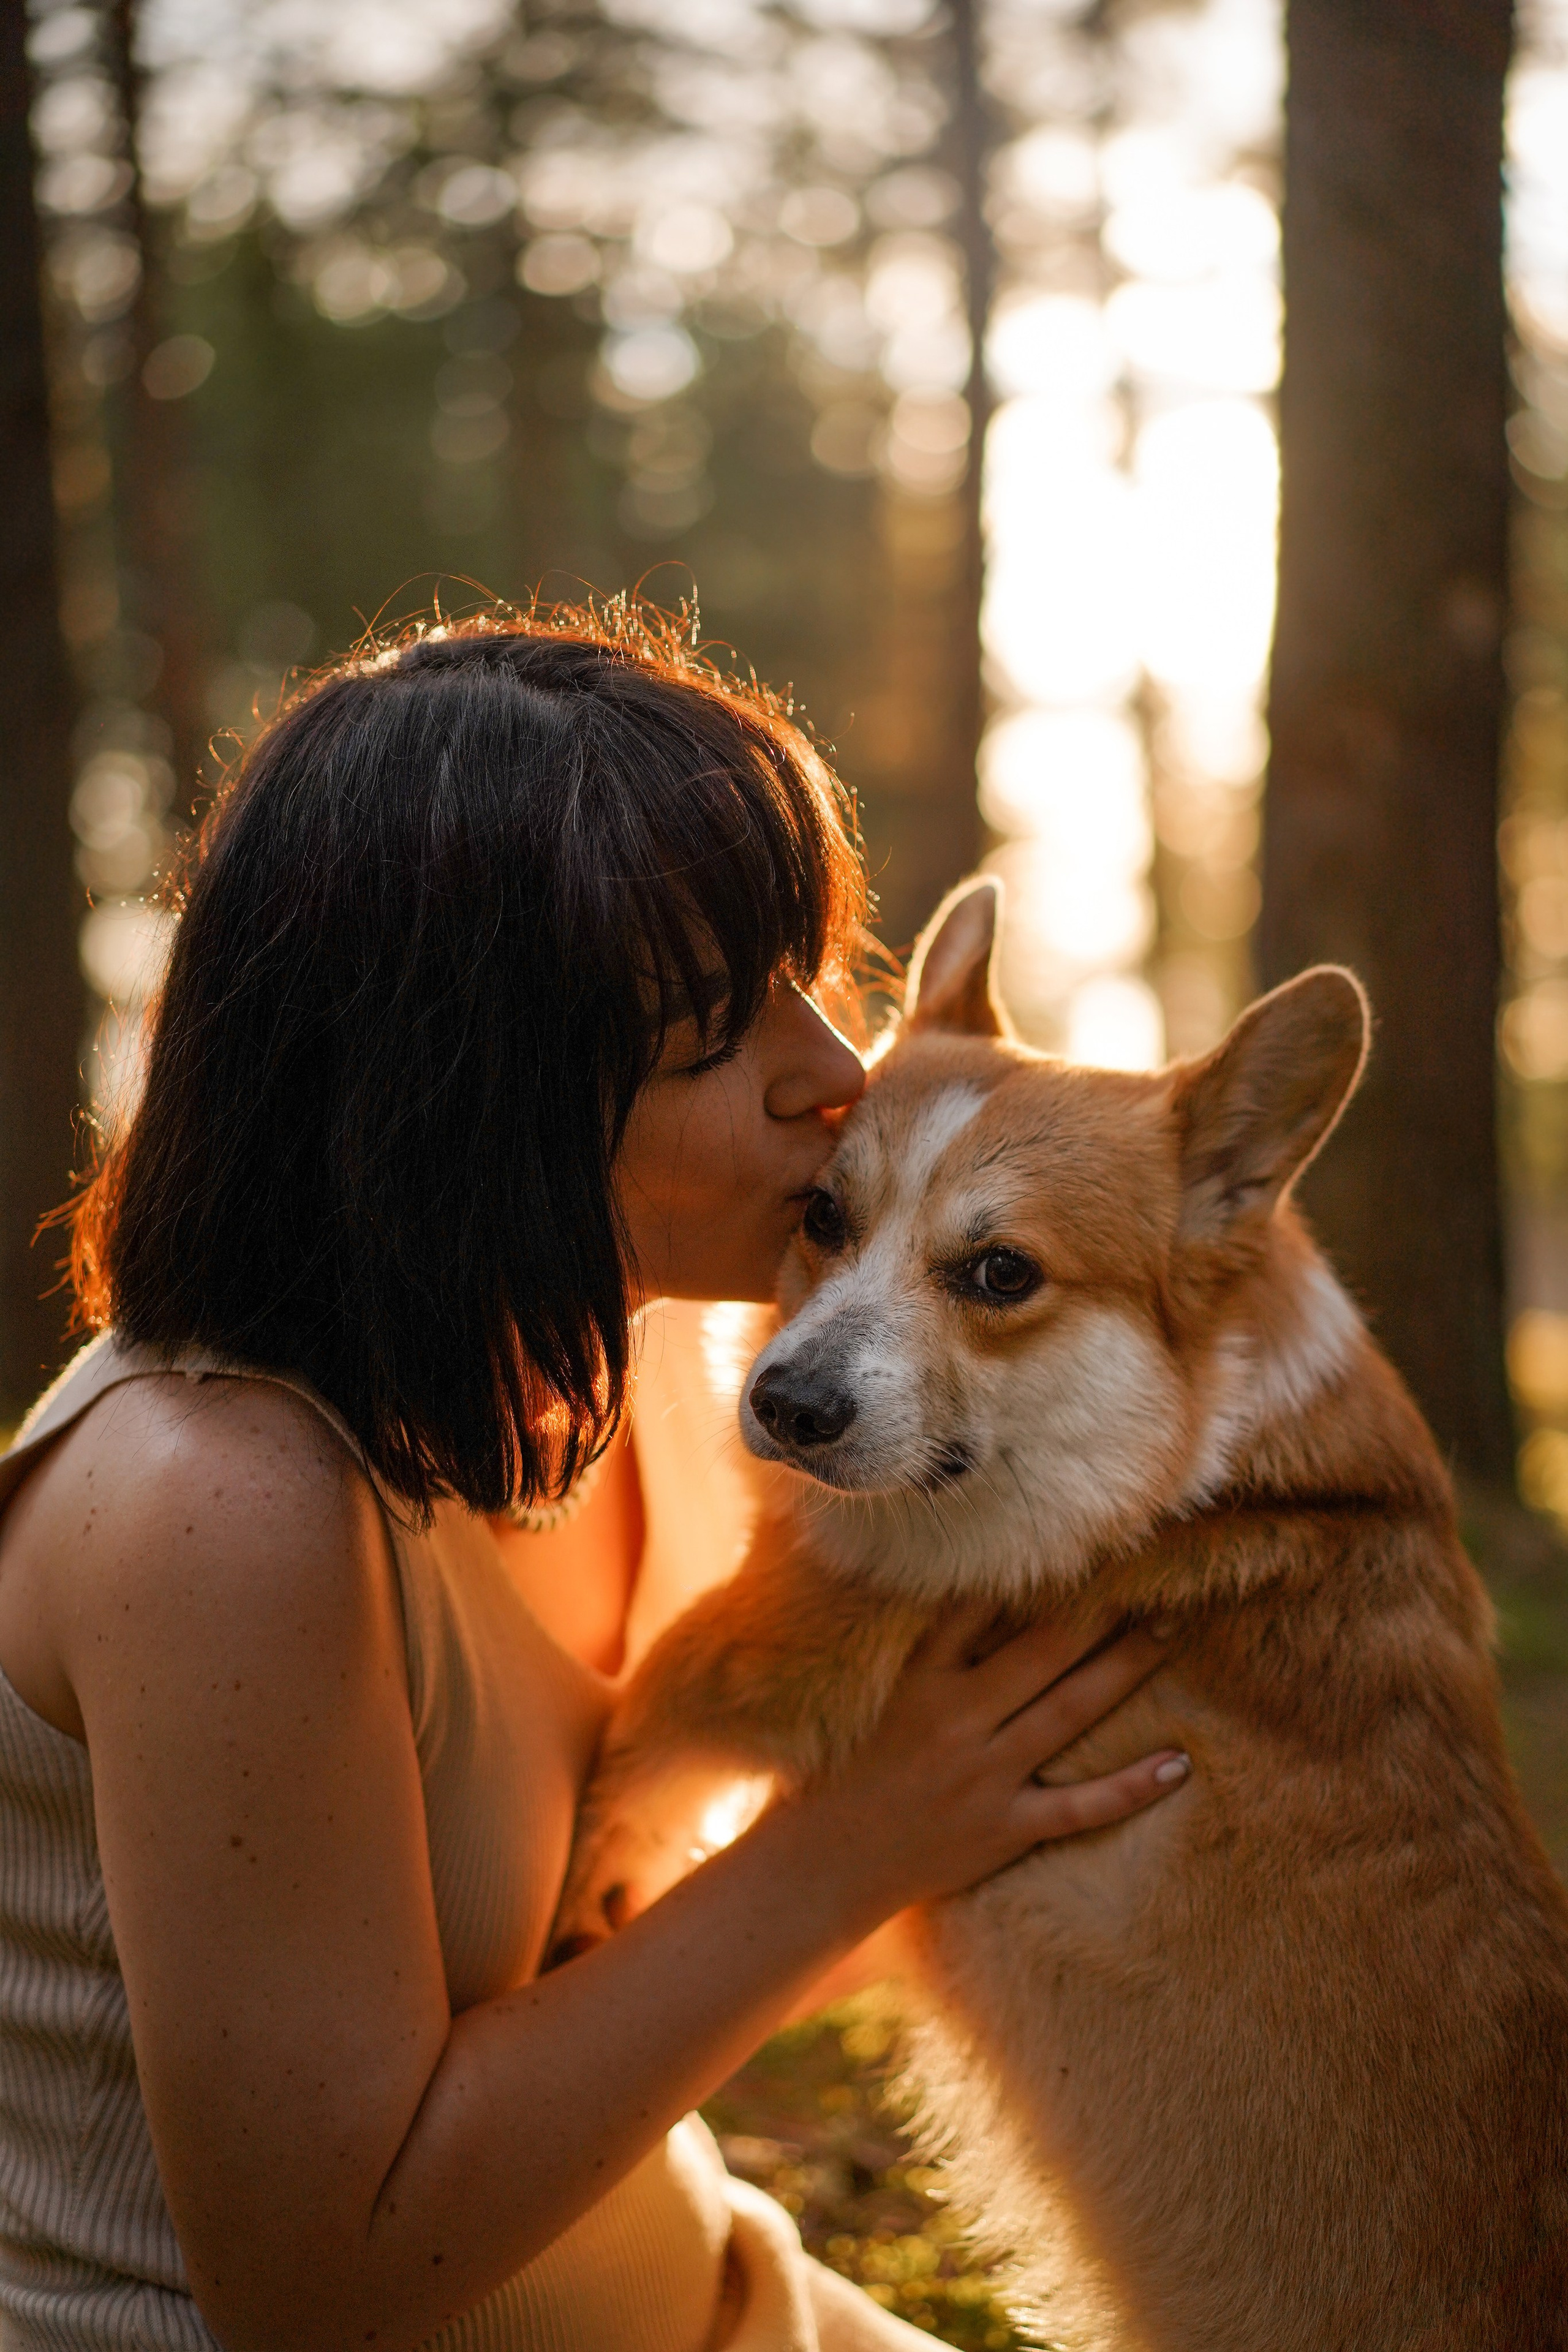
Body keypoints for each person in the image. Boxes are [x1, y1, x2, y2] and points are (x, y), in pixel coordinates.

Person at [0, 607, 1187, 2352]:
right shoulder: (221, 1503)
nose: (836, 1074)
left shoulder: (635, 1361)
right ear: (467, 1098)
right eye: (720, 1035)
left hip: (708, 2301)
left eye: (811, 971)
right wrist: (859, 1844)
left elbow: (649, 1963)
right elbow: (317, 2281)